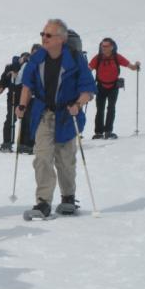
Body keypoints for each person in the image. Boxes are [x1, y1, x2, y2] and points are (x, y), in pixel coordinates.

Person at [16, 19, 96, 217]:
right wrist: (22, 105)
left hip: (67, 115)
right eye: (42, 34)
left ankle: (68, 197)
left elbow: (88, 89)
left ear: (61, 39)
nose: (44, 38)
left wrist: (78, 105)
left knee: (65, 160)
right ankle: (43, 203)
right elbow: (27, 85)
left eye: (48, 35)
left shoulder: (76, 60)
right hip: (43, 114)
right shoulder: (37, 59)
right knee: (42, 157)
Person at [88, 37, 141, 139]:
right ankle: (99, 133)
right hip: (100, 86)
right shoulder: (98, 58)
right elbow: (88, 70)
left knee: (111, 108)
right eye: (102, 46)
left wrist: (136, 65)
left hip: (113, 87)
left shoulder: (117, 57)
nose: (103, 48)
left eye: (106, 46)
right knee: (100, 109)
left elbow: (131, 67)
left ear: (111, 47)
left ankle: (108, 131)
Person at [0, 52, 30, 153]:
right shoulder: (11, 67)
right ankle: (8, 143)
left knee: (24, 119)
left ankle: (23, 144)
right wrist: (1, 86)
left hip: (23, 98)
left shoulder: (28, 68)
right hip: (13, 97)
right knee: (11, 118)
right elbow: (3, 81)